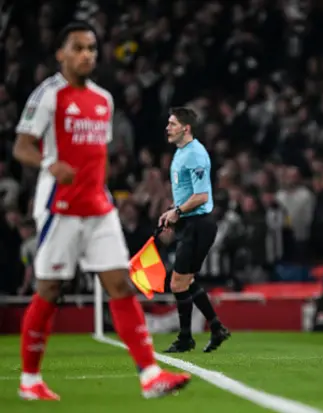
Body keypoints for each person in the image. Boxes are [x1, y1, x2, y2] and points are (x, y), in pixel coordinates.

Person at [11, 21, 190, 401]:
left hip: (98, 206)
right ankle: (29, 380)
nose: (86, 55)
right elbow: (21, 147)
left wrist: (106, 190)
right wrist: (49, 163)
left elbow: (99, 154)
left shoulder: (103, 100)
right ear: (61, 53)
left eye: (92, 48)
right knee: (50, 289)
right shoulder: (48, 95)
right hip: (59, 206)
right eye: (78, 48)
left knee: (121, 285)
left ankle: (150, 375)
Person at [159, 107, 230, 353]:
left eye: (172, 124)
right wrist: (172, 210)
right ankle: (216, 327)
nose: (168, 128)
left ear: (185, 128)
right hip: (189, 223)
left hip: (199, 224)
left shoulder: (196, 154)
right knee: (185, 282)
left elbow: (201, 196)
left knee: (178, 283)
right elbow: (189, 193)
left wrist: (177, 212)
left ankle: (187, 337)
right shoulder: (181, 152)